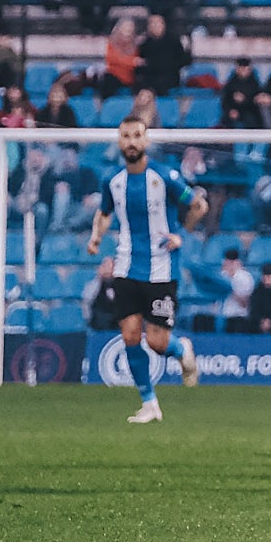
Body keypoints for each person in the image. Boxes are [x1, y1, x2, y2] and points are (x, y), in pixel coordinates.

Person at [87, 116, 207, 423]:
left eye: (136, 136)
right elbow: (104, 213)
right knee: (129, 336)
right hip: (126, 266)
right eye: (125, 136)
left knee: (157, 342)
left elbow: (198, 205)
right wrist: (96, 237)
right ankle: (149, 403)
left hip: (162, 269)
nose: (130, 142)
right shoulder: (112, 181)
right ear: (119, 141)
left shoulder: (164, 176)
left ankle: (182, 349)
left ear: (146, 141)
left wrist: (183, 232)